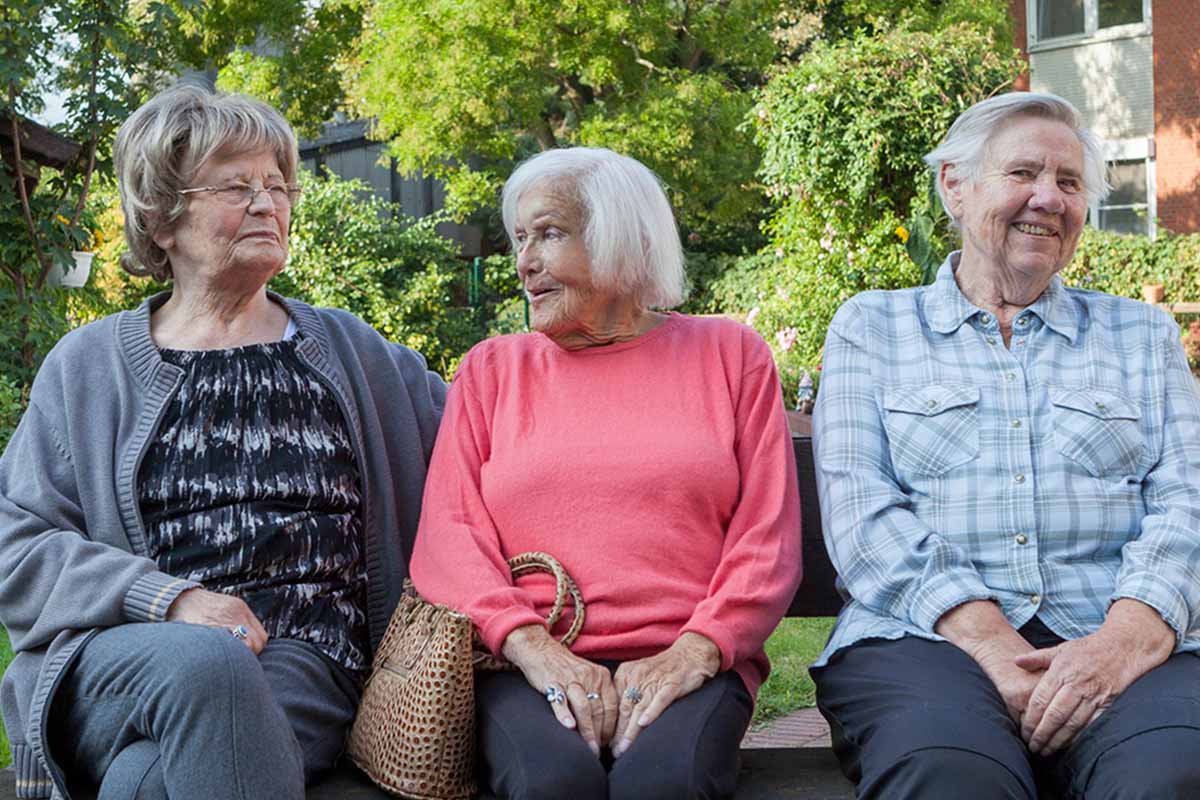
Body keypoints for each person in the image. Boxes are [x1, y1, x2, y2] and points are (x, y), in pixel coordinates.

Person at [0, 84, 446, 800]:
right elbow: (15, 541)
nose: (268, 204)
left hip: (302, 656)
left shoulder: (354, 353)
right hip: (129, 657)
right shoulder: (87, 368)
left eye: (278, 185)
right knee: (206, 664)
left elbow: (490, 439)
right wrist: (167, 599)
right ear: (161, 219)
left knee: (141, 784)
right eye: (238, 187)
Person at [811, 91, 1200, 799]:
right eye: (1023, 173)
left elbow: (1189, 504)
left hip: (1121, 634)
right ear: (954, 186)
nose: (1048, 198)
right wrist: (995, 648)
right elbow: (863, 517)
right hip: (925, 640)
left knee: (1169, 774)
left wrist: (1121, 646)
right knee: (950, 776)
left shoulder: (1143, 337)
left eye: (1069, 182)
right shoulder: (872, 328)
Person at [409, 146, 802, 800]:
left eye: (549, 234)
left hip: (688, 659)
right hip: (526, 664)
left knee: (663, 785)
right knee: (552, 783)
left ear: (624, 238)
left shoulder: (731, 356)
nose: (524, 262)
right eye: (520, 239)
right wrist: (533, 648)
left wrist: (697, 650)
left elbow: (769, 536)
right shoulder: (491, 371)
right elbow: (449, 536)